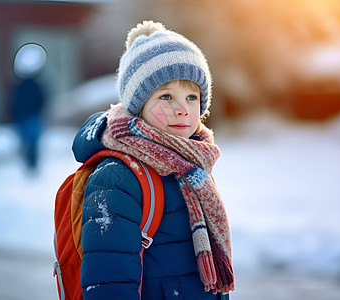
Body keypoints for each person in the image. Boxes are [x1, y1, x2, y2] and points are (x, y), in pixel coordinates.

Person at [72, 21, 234, 299]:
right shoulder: (117, 177)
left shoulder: (191, 165)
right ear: (139, 105)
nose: (182, 109)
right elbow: (109, 282)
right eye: (166, 96)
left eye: (192, 96)